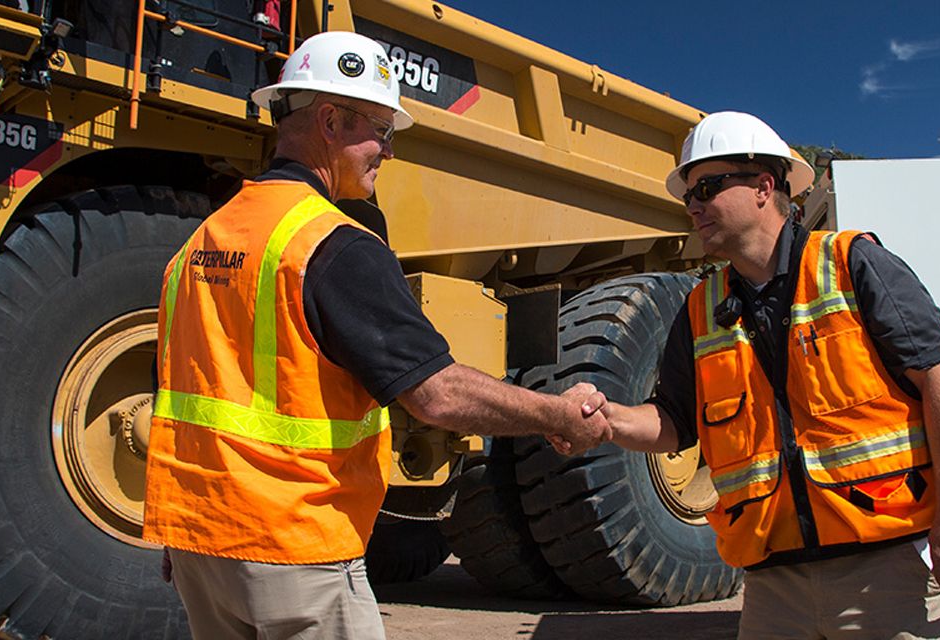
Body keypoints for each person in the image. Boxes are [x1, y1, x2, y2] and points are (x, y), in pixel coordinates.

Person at [142, 31, 610, 640]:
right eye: (381, 130)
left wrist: (187, 534)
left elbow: (181, 393)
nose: (387, 150)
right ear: (331, 120)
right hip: (293, 544)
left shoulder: (198, 243)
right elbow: (436, 395)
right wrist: (557, 415)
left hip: (201, 543)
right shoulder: (331, 245)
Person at [567, 111, 940, 639]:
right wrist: (609, 419)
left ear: (765, 186)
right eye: (688, 195)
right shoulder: (701, 308)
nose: (694, 204)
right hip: (772, 586)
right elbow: (674, 422)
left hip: (885, 571)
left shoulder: (852, 263)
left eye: (708, 186)